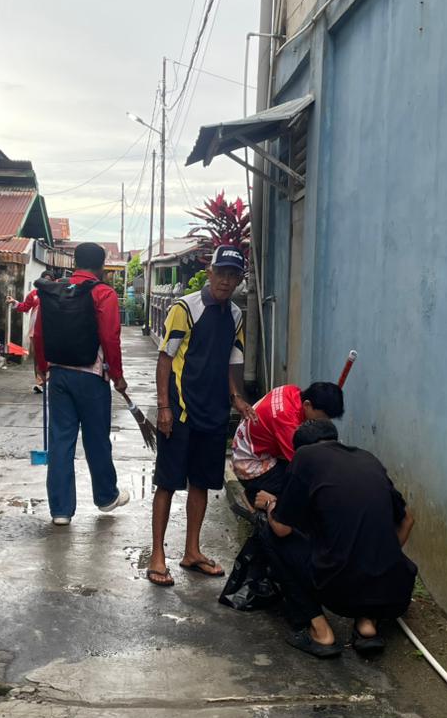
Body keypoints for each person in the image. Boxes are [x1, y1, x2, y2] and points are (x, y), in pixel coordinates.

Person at [255, 420, 417, 658]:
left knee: (267, 530)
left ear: (300, 449)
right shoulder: (367, 458)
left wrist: (270, 504)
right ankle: (367, 625)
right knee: (360, 550)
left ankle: (320, 632)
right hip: (394, 591)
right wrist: (385, 558)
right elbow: (407, 520)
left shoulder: (305, 457)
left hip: (338, 592)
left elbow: (282, 529)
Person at [147, 244, 257, 587]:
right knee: (167, 483)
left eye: (233, 275)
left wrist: (237, 399)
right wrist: (164, 407)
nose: (226, 281)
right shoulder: (186, 308)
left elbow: (232, 361)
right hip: (179, 412)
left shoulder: (236, 315)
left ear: (239, 280)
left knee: (201, 484)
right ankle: (156, 555)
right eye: (221, 273)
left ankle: (192, 551)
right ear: (209, 273)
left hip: (213, 414)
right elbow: (165, 360)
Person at [34, 242, 131, 526]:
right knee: (96, 439)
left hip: (59, 376)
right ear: (102, 266)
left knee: (61, 441)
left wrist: (42, 369)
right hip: (91, 377)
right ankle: (105, 497)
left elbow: (39, 334)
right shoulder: (103, 293)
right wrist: (118, 376)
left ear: (74, 262)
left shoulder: (53, 291)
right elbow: (111, 338)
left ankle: (61, 511)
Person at [233, 381, 345, 504]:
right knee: (300, 491)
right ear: (307, 405)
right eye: (321, 418)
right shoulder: (287, 422)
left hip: (254, 448)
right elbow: (302, 464)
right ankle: (252, 496)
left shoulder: (292, 391)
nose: (323, 422)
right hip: (249, 467)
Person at [7, 282, 44, 393]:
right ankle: (40, 382)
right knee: (37, 356)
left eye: (48, 279)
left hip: (51, 331)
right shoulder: (33, 294)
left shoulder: (56, 294)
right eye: (44, 279)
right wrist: (14, 302)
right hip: (35, 331)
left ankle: (50, 382)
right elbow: (25, 307)